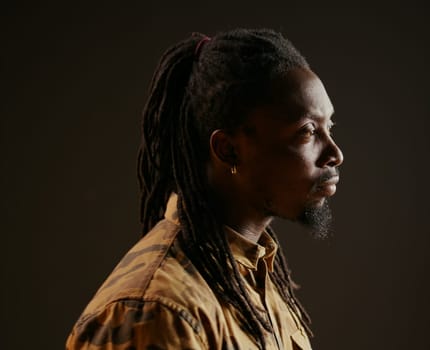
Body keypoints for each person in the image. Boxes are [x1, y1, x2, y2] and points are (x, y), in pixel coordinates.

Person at [65, 29, 343, 350]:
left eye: (329, 126)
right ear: (228, 149)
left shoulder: (253, 276)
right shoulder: (158, 312)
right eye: (308, 131)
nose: (335, 153)